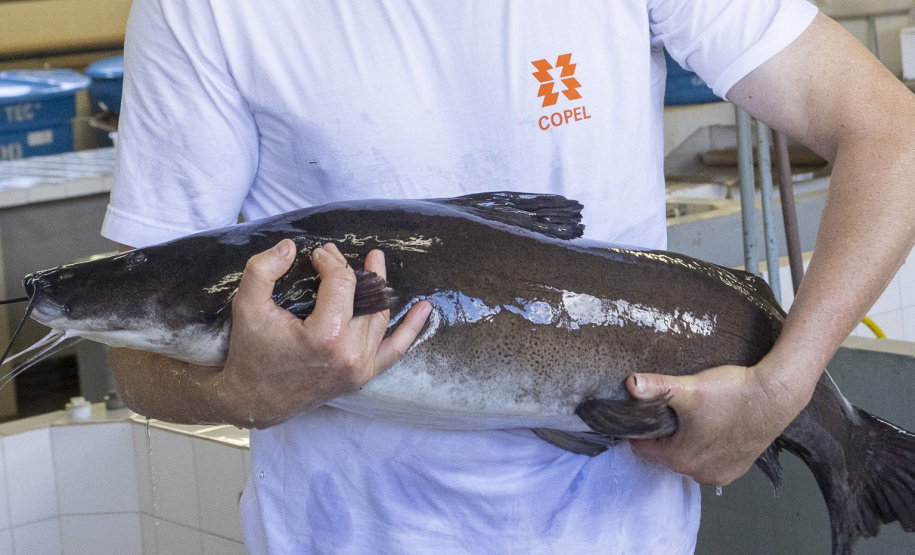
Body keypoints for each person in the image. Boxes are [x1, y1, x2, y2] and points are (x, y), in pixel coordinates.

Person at [102, 0, 915, 553]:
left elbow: (888, 131)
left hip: (617, 535)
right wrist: (236, 392)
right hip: (345, 532)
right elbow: (134, 356)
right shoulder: (201, 12)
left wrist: (786, 381)